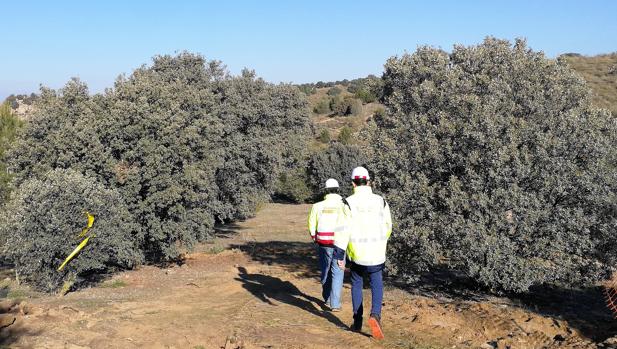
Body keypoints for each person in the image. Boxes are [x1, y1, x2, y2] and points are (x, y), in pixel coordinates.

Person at [333, 166, 392, 340]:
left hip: (357, 254)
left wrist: (339, 255)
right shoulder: (381, 201)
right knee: (377, 283)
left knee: (356, 283)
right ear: (369, 181)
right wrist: (381, 241)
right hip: (377, 252)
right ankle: (375, 315)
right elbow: (388, 226)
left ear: (353, 183)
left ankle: (357, 321)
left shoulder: (348, 202)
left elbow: (342, 230)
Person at [307, 178, 348, 312]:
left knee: (325, 270)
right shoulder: (344, 205)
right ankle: (335, 304)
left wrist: (315, 238)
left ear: (326, 190)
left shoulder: (317, 206)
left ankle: (327, 298)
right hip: (340, 243)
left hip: (323, 243)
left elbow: (311, 223)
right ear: (337, 190)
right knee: (337, 272)